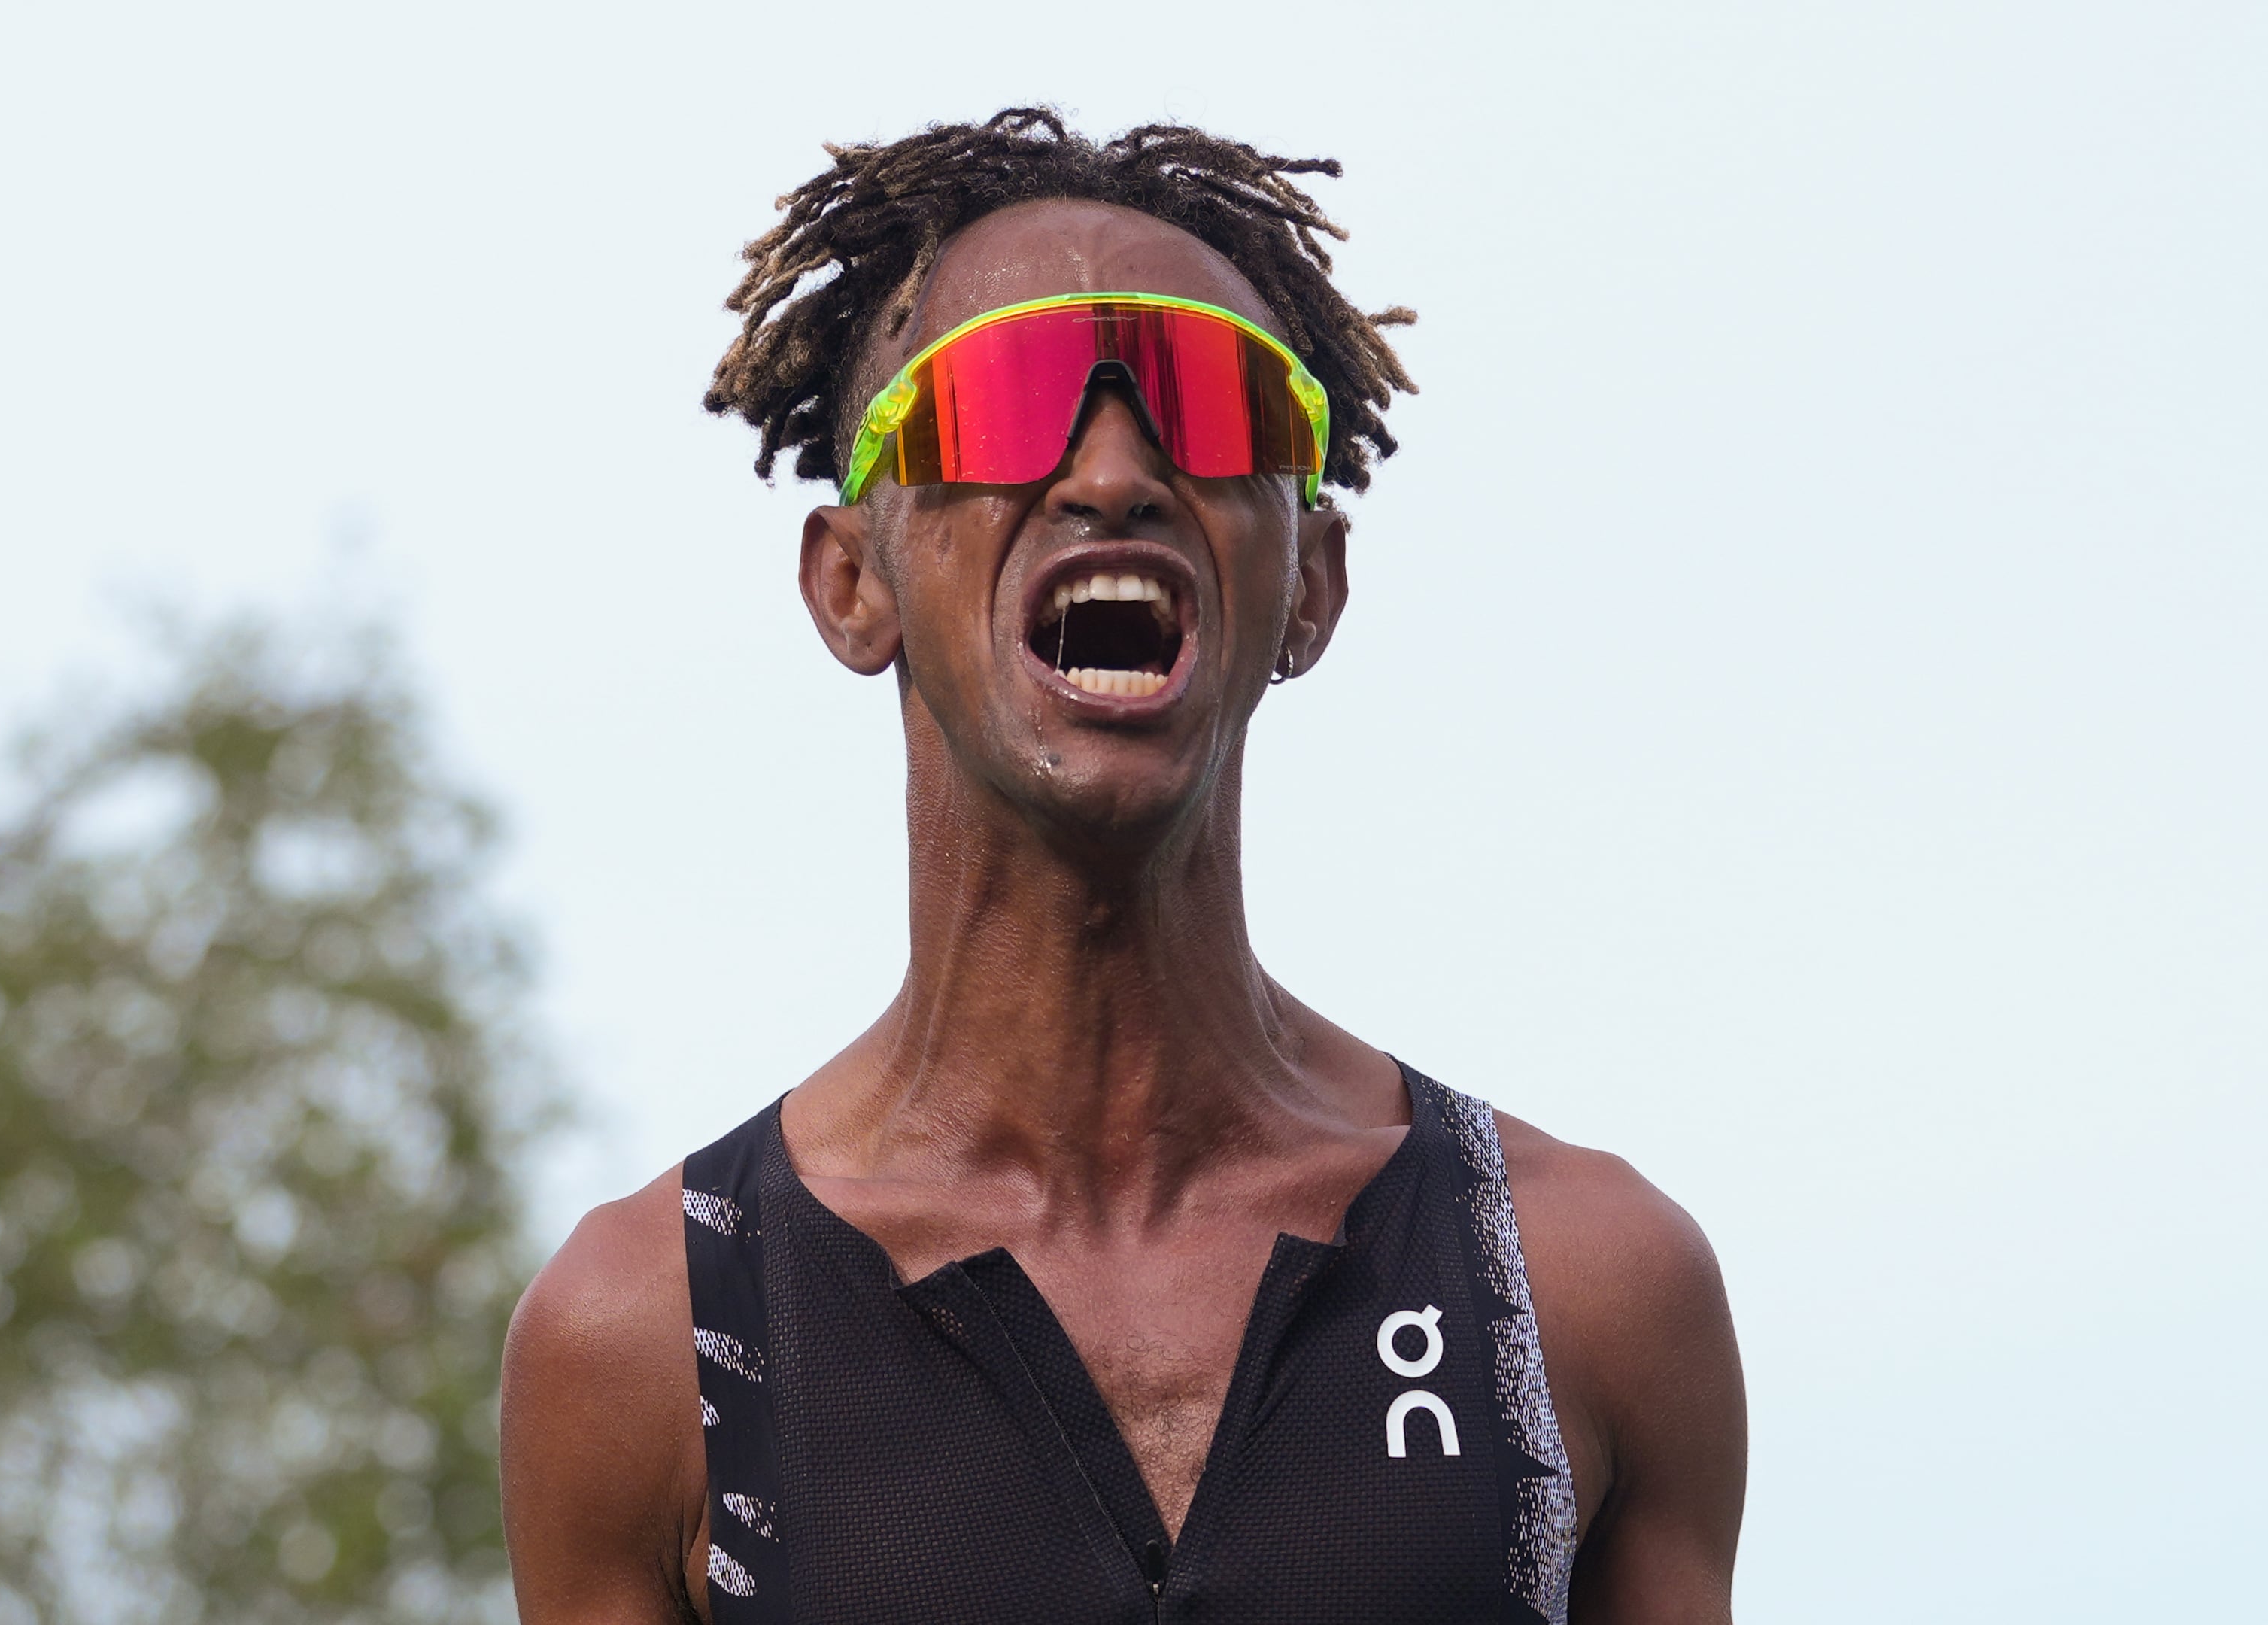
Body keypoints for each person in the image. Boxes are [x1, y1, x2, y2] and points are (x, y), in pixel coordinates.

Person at [499, 109, 1746, 1623]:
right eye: (999, 401)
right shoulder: (651, 1336)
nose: (1111, 472)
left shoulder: (1584, 1288)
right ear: (850, 585)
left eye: (1215, 406)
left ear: (1313, 588)